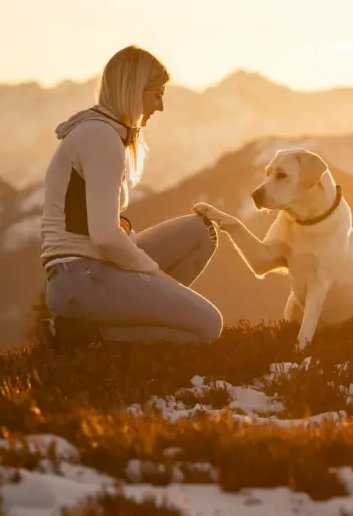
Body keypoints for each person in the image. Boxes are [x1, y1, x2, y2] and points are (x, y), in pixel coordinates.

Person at [39, 45, 223, 343]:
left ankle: (144, 315)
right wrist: (153, 273)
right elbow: (104, 236)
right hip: (80, 277)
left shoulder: (100, 132)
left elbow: (95, 226)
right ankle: (83, 335)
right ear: (134, 90)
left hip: (89, 268)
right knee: (208, 325)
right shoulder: (101, 138)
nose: (160, 106)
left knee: (199, 232)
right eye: (157, 94)